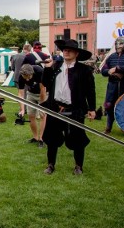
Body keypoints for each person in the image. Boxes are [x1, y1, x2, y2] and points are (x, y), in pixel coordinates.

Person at [41, 39, 96, 175]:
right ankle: (51, 165)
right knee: (52, 138)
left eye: (69, 50)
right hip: (55, 107)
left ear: (76, 53)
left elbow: (90, 90)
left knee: (78, 138)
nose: (66, 51)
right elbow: (45, 83)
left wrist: (92, 109)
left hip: (75, 109)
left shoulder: (84, 70)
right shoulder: (55, 66)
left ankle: (78, 166)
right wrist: (47, 69)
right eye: (64, 49)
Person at [100, 36, 124, 135]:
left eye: (121, 43)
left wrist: (118, 69)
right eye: (117, 43)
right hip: (112, 85)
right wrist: (109, 71)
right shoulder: (111, 57)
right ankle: (108, 128)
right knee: (110, 106)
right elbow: (103, 70)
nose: (118, 46)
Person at [17, 63, 46, 147]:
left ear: (32, 73)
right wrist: (22, 109)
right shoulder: (20, 77)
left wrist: (42, 104)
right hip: (31, 93)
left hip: (43, 93)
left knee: (42, 115)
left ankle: (41, 139)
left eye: (29, 77)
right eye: (25, 77)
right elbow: (20, 94)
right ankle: (35, 137)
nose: (27, 80)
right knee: (31, 115)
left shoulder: (39, 71)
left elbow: (43, 89)